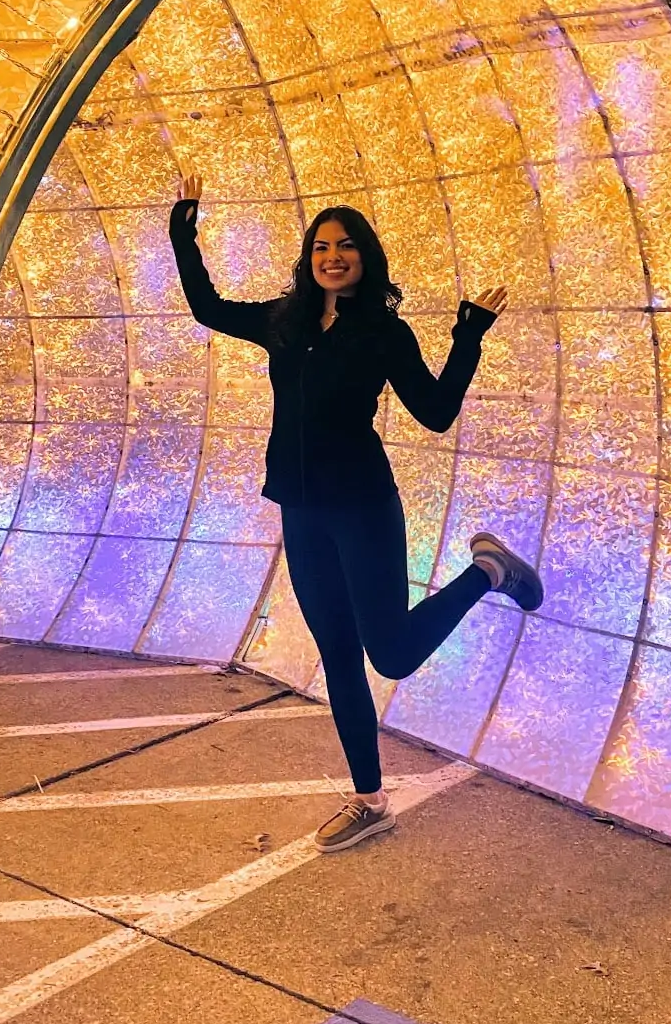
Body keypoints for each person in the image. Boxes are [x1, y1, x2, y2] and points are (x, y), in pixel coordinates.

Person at [168, 174, 543, 853]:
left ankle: (488, 570)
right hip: (301, 509)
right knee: (339, 658)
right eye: (320, 247)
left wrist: (468, 337)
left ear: (365, 257)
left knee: (391, 653)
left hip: (364, 506)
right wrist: (182, 229)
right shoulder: (283, 321)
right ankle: (370, 800)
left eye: (345, 246)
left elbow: (435, 412)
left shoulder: (382, 332)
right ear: (308, 258)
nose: (332, 256)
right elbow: (205, 306)